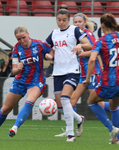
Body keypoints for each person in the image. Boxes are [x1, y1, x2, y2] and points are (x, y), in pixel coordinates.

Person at [0, 25, 53, 140]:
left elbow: (50, 49)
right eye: (19, 39)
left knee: (30, 100)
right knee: (5, 108)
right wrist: (17, 68)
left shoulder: (39, 45)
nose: (22, 41)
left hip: (36, 81)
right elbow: (14, 70)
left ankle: (15, 127)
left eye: (23, 37)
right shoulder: (16, 49)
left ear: (28, 34)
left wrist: (50, 55)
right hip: (20, 81)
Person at [82, 13, 119, 144]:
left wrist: (88, 79)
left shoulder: (101, 41)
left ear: (102, 25)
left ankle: (112, 129)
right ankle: (117, 140)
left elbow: (92, 59)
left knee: (91, 101)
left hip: (108, 81)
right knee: (113, 106)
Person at [44, 7, 92, 142]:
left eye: (64, 20)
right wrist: (48, 54)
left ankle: (70, 135)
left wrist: (80, 46)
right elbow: (48, 48)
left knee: (65, 99)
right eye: (59, 20)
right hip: (58, 72)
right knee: (60, 108)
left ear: (69, 20)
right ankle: (79, 119)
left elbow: (90, 45)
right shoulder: (54, 33)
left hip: (72, 71)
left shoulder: (75, 30)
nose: (61, 23)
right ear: (56, 20)